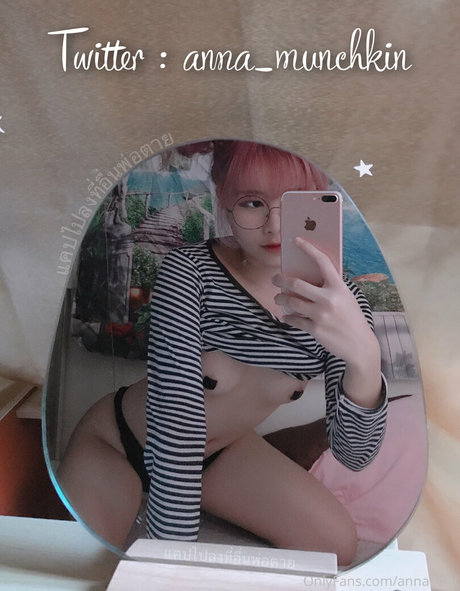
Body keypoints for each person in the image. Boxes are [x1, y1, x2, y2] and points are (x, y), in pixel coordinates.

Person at [58, 140, 387, 565]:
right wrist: (173, 558)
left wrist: (365, 359)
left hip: (221, 454)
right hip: (121, 440)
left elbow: (354, 455)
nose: (274, 226)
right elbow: (176, 421)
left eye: (294, 204)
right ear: (224, 200)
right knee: (85, 565)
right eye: (253, 203)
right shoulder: (189, 272)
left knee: (337, 546)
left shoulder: (343, 303)